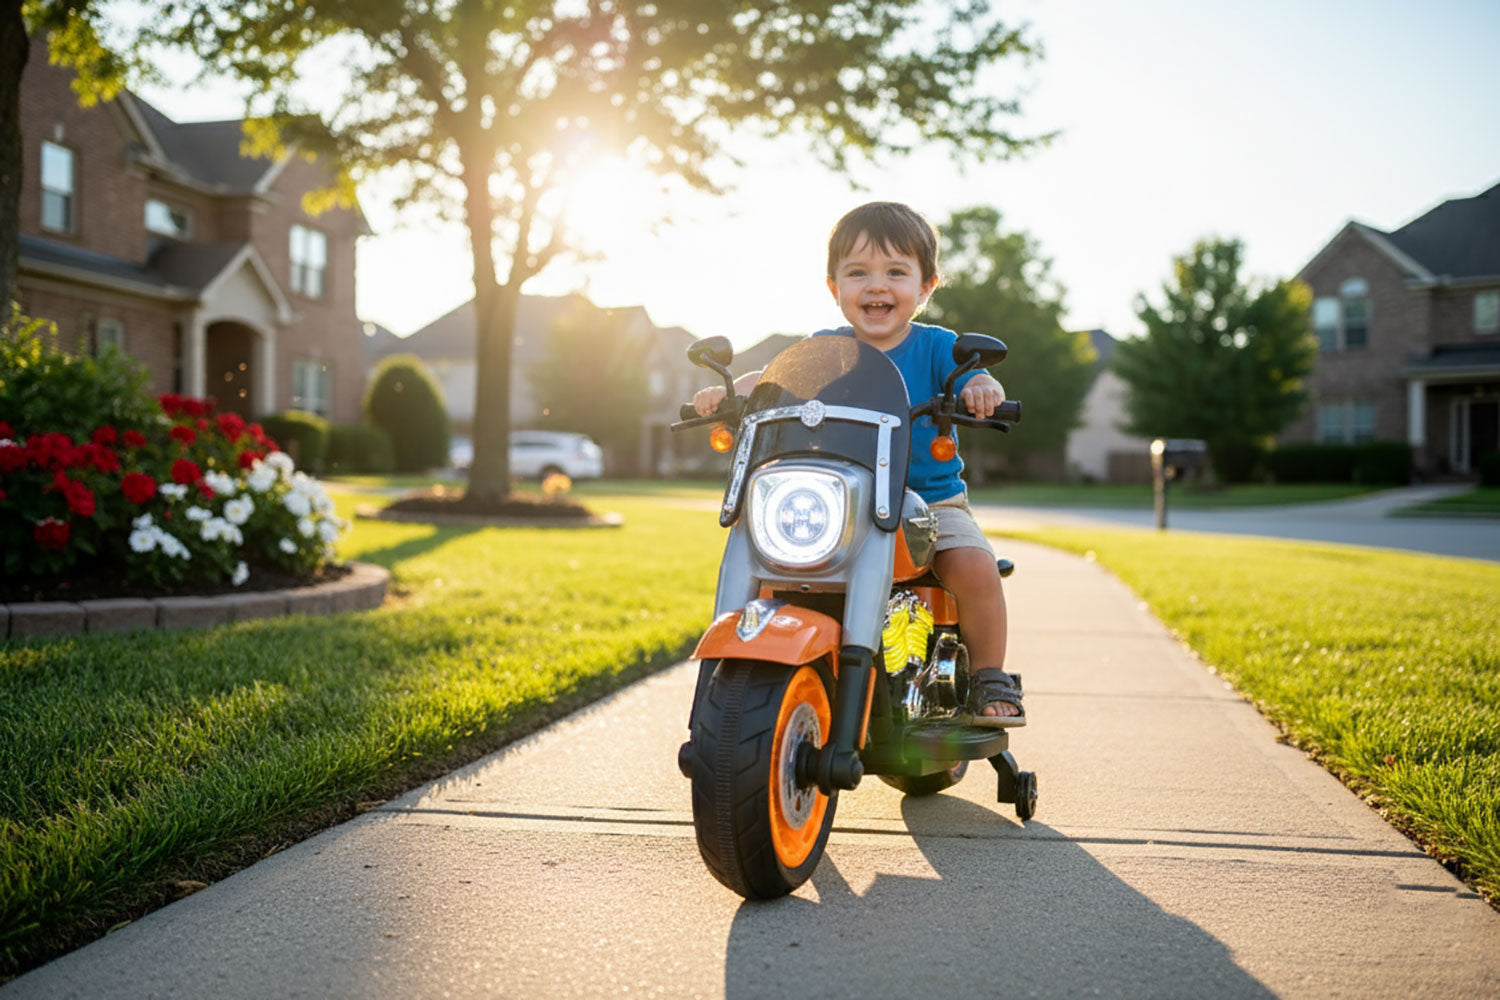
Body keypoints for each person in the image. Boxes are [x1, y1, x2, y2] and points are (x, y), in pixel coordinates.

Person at [693, 201, 1021, 724]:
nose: (876, 286)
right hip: (842, 505)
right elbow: (776, 377)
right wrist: (732, 392)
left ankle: (989, 675)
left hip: (928, 504)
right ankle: (743, 680)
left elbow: (971, 379)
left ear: (927, 286)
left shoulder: (938, 348)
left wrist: (982, 387)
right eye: (858, 273)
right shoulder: (824, 350)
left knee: (975, 567)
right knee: (770, 564)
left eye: (896, 272)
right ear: (833, 287)